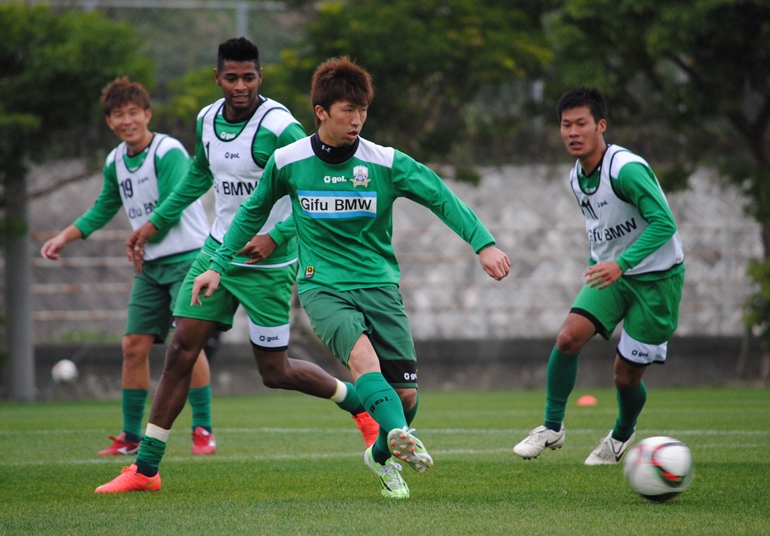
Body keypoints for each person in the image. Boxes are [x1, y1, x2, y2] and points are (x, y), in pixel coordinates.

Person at [189, 57, 512, 499]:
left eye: (362, 110)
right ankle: (400, 436)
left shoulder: (384, 162)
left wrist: (483, 243)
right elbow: (250, 213)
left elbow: (440, 195)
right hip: (321, 285)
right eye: (347, 111)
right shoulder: (289, 161)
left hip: (379, 285)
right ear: (321, 112)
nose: (357, 120)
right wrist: (217, 264)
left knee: (406, 397)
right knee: (362, 361)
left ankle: (382, 452)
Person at [95, 39, 378, 494]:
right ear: (218, 78)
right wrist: (153, 224)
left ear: (260, 77)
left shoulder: (279, 126)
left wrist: (276, 236)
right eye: (232, 77)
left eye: (249, 77)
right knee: (180, 349)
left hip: (269, 264)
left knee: (275, 372)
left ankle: (358, 404)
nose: (240, 85)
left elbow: (315, 189)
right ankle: (145, 469)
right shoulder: (207, 119)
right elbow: (198, 176)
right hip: (216, 254)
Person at [41, 77, 216, 457]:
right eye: (118, 115)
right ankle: (131, 436)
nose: (127, 120)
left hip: (189, 259)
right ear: (109, 122)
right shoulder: (115, 161)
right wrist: (64, 237)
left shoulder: (167, 151)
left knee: (186, 342)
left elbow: (171, 206)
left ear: (147, 114)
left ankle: (203, 429)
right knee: (133, 346)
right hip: (150, 265)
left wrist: (139, 236)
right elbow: (103, 207)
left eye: (133, 112)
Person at [512, 87, 685, 465]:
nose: (573, 132)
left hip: (656, 280)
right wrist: (603, 263)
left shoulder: (625, 169)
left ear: (600, 126)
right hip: (613, 276)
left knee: (625, 376)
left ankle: (621, 434)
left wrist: (621, 263)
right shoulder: (577, 177)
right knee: (568, 337)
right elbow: (602, 229)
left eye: (581, 124)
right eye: (566, 125)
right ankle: (551, 427)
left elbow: (664, 223)